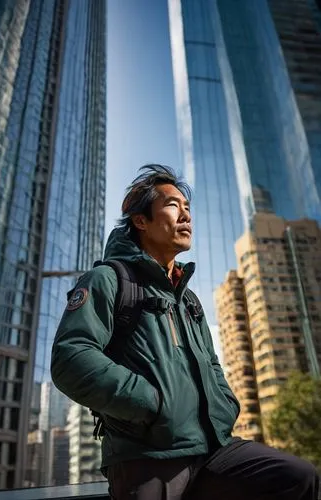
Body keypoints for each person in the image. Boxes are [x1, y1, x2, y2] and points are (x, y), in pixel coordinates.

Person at [51, 165, 319, 500]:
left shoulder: (188, 298)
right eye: (173, 205)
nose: (186, 215)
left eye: (187, 208)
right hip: (147, 457)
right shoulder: (108, 279)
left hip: (214, 448)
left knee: (298, 478)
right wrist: (152, 403)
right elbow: (71, 358)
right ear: (141, 220)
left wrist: (225, 406)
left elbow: (213, 363)